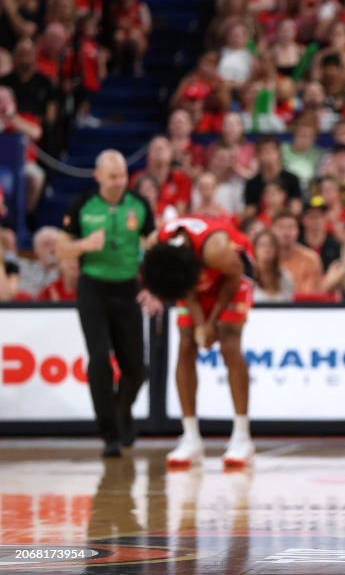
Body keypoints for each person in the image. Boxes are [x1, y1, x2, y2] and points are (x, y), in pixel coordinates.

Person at [57, 150, 155, 458]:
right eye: (112, 176)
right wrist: (84, 245)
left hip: (128, 289)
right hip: (93, 288)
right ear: (98, 176)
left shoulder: (139, 206)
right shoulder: (83, 205)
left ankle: (120, 409)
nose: (119, 181)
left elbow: (153, 248)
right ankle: (109, 432)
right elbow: (61, 249)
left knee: (136, 368)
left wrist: (152, 287)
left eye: (123, 175)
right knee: (99, 359)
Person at [140, 215, 255, 469]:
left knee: (229, 341)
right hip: (191, 273)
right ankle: (190, 436)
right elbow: (185, 290)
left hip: (232, 274)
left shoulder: (216, 251)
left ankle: (242, 436)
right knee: (185, 344)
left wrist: (212, 321)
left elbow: (235, 276)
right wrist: (200, 324)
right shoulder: (155, 246)